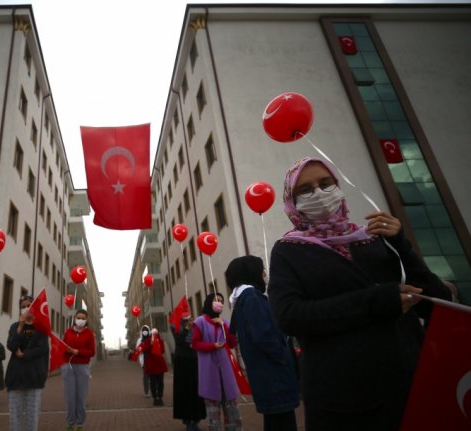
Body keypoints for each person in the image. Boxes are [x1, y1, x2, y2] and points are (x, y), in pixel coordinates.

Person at [268, 157, 451, 431]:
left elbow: (436, 304)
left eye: (325, 183)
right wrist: (379, 301)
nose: (318, 193)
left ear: (338, 186)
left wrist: (401, 243)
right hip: (344, 400)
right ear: (292, 202)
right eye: (305, 190)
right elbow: (290, 316)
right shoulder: (289, 250)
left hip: (409, 389)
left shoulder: (376, 237)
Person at [226, 256, 299, 431]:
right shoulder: (252, 297)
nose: (265, 274)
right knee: (283, 421)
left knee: (275, 421)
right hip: (273, 374)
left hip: (266, 374)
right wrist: (284, 355)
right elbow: (262, 335)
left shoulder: (244, 299)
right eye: (262, 270)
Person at [191, 293, 242, 431]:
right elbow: (195, 344)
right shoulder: (200, 322)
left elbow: (232, 343)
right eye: (216, 300)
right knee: (213, 415)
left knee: (232, 412)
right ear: (209, 302)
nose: (219, 303)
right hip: (209, 373)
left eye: (221, 301)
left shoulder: (225, 322)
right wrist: (212, 346)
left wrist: (223, 326)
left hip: (226, 374)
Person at [5, 295, 49, 431]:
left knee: (32, 416)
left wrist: (24, 354)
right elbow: (11, 345)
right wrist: (21, 325)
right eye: (22, 306)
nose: (25, 308)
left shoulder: (41, 328)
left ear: (34, 307)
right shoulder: (15, 326)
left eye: (28, 305)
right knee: (14, 417)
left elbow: (42, 349)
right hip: (16, 377)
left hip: (34, 378)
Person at [61, 309, 96, 431]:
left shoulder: (89, 334)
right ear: (75, 319)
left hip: (82, 367)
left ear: (86, 320)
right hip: (68, 367)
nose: (80, 320)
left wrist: (78, 352)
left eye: (83, 318)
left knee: (81, 396)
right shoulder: (68, 332)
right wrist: (67, 349)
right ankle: (71, 423)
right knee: (70, 396)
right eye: (78, 317)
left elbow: (92, 352)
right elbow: (62, 346)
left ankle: (80, 423)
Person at [172, 313, 206, 431]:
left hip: (195, 362)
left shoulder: (196, 328)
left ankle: (195, 420)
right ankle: (188, 422)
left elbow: (199, 341)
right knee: (185, 393)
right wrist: (186, 328)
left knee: (196, 392)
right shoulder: (176, 328)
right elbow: (179, 341)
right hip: (182, 365)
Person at [140, 327, 168, 406]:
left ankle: (159, 397)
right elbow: (144, 350)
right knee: (153, 382)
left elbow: (162, 350)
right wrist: (150, 345)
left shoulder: (160, 341)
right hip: (152, 365)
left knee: (159, 382)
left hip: (158, 364)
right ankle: (156, 398)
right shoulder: (147, 341)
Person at [136, 325, 151, 398]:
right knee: (146, 377)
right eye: (143, 330)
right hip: (144, 361)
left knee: (153, 377)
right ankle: (146, 392)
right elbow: (138, 350)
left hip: (152, 360)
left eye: (146, 330)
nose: (145, 331)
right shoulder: (140, 340)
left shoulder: (151, 338)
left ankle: (154, 390)